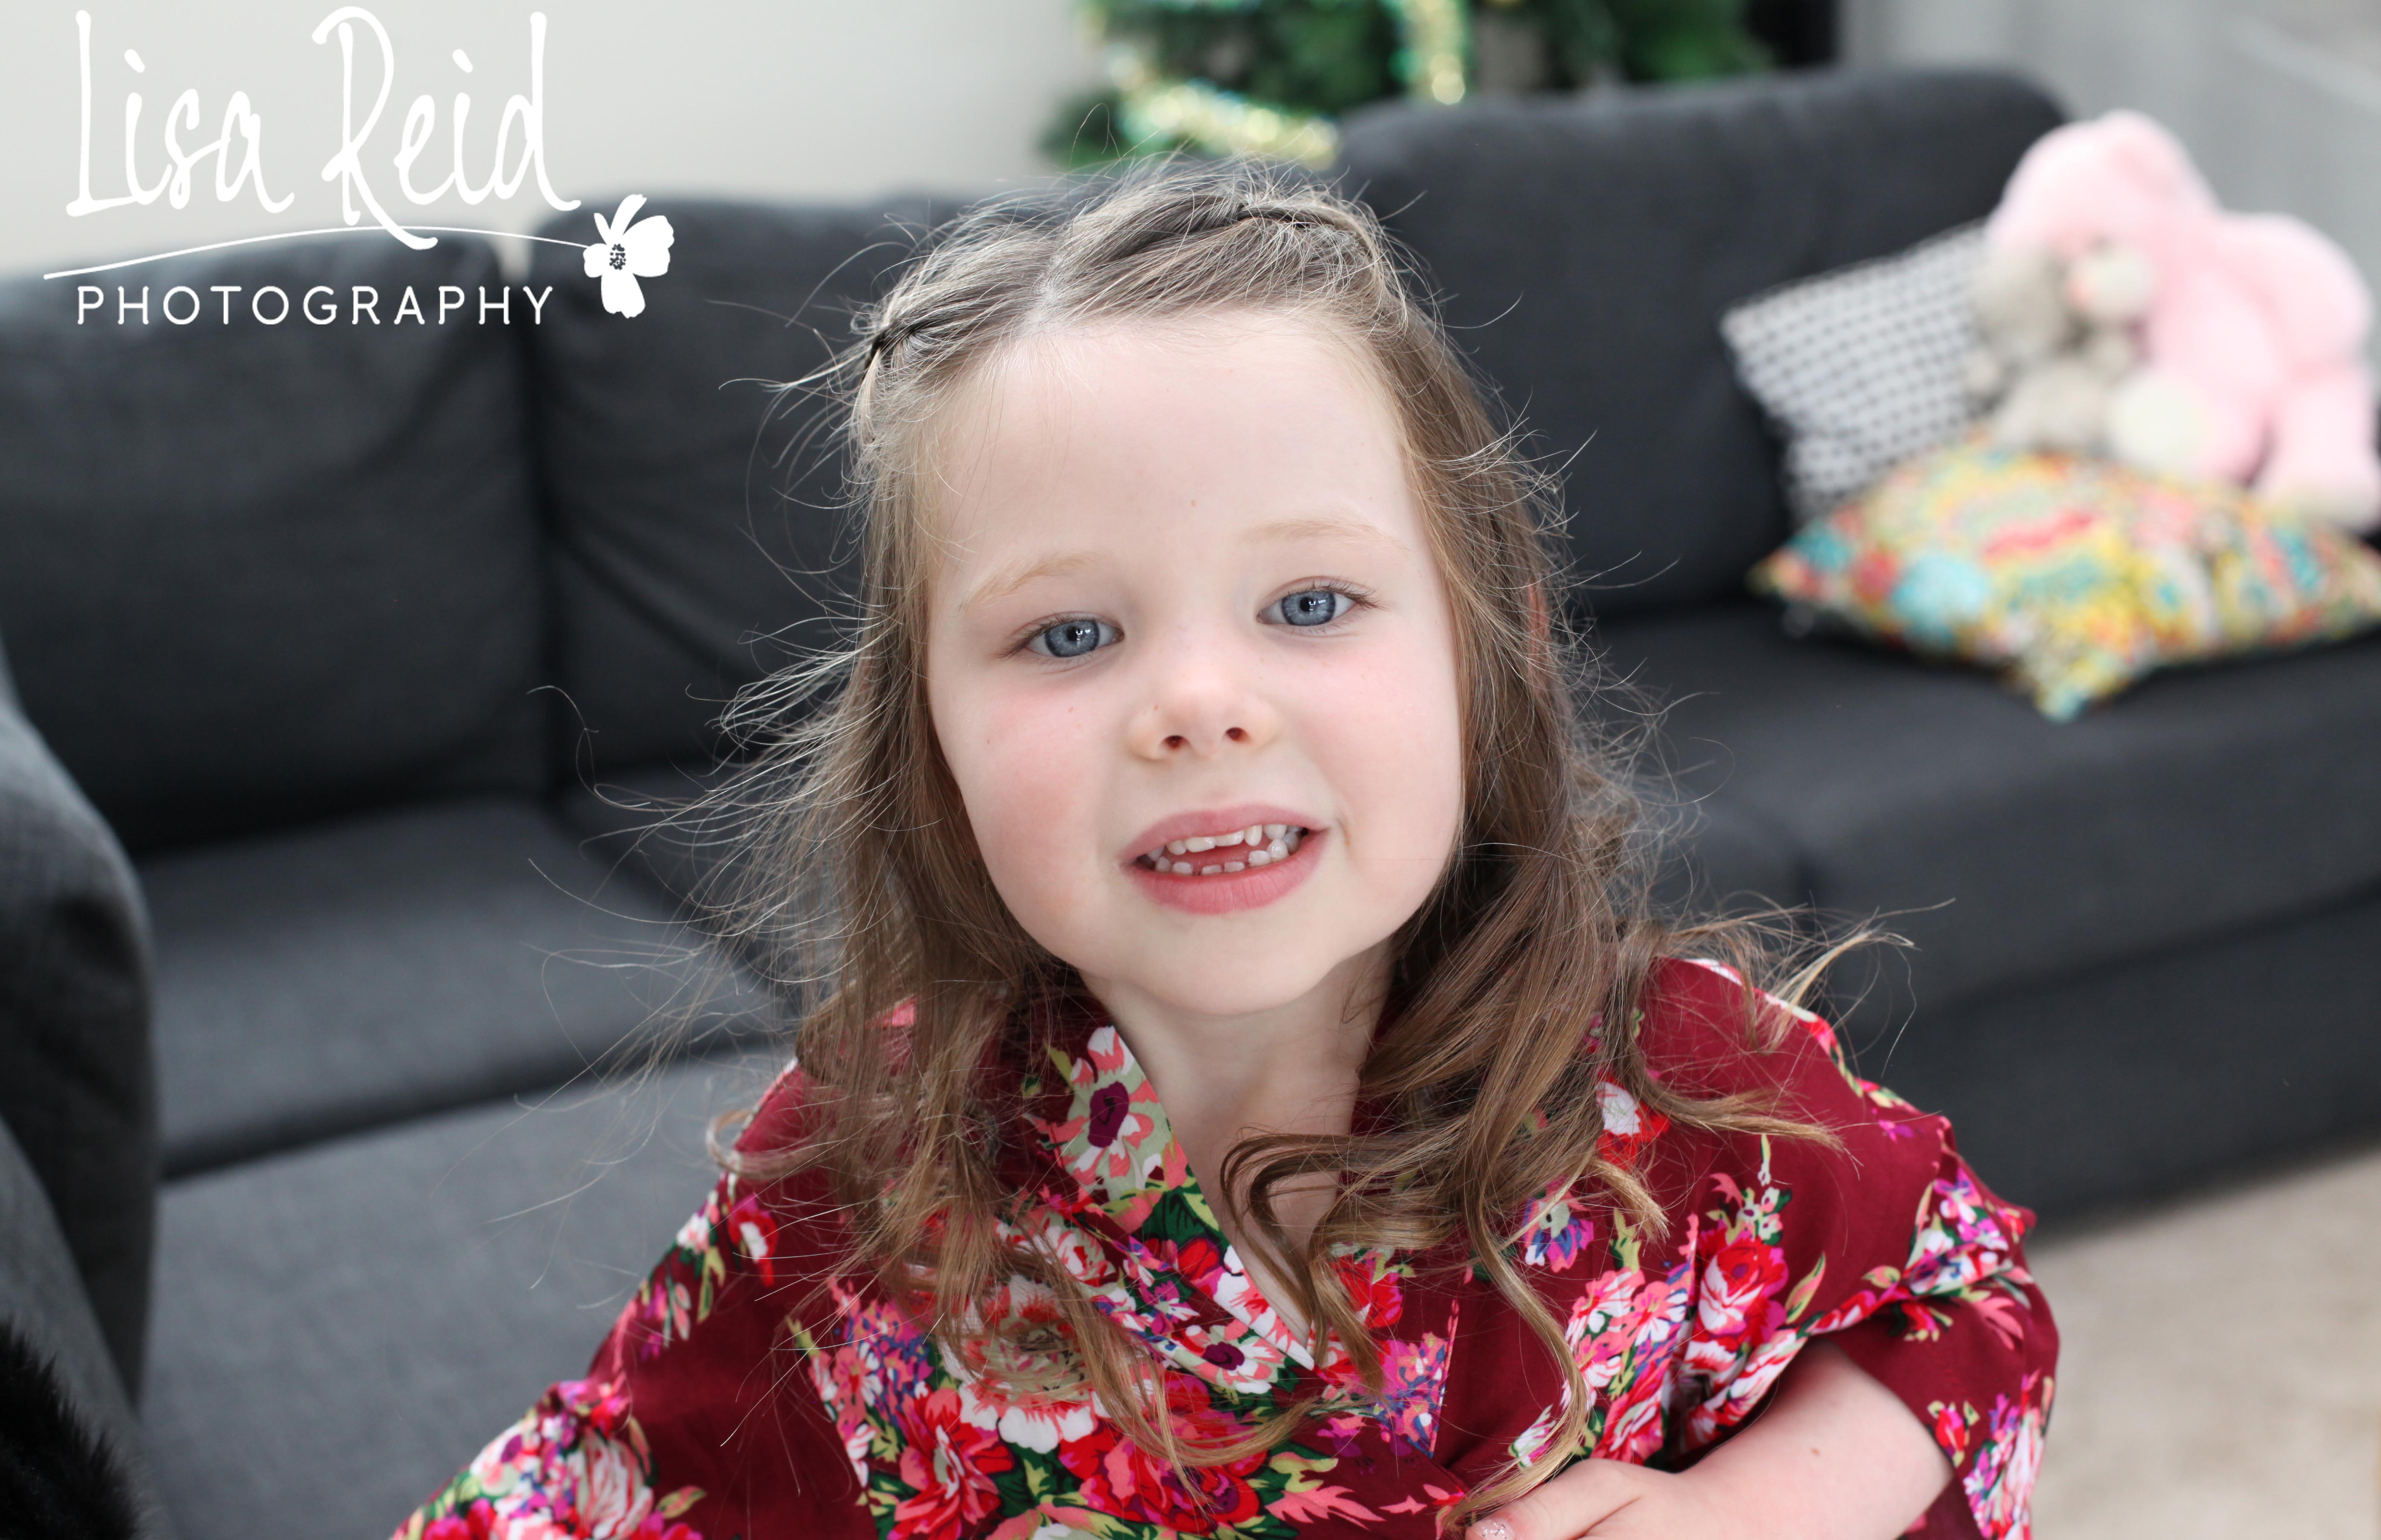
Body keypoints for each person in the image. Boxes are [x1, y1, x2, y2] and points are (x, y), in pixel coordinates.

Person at [394, 162, 2055, 1540]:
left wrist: (1757, 1510)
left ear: (1492, 656)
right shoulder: (868, 1173)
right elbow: (592, 1493)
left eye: (1310, 603)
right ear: (929, 740)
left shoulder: (1683, 1086)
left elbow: (1964, 1303)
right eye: (1068, 635)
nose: (1198, 705)